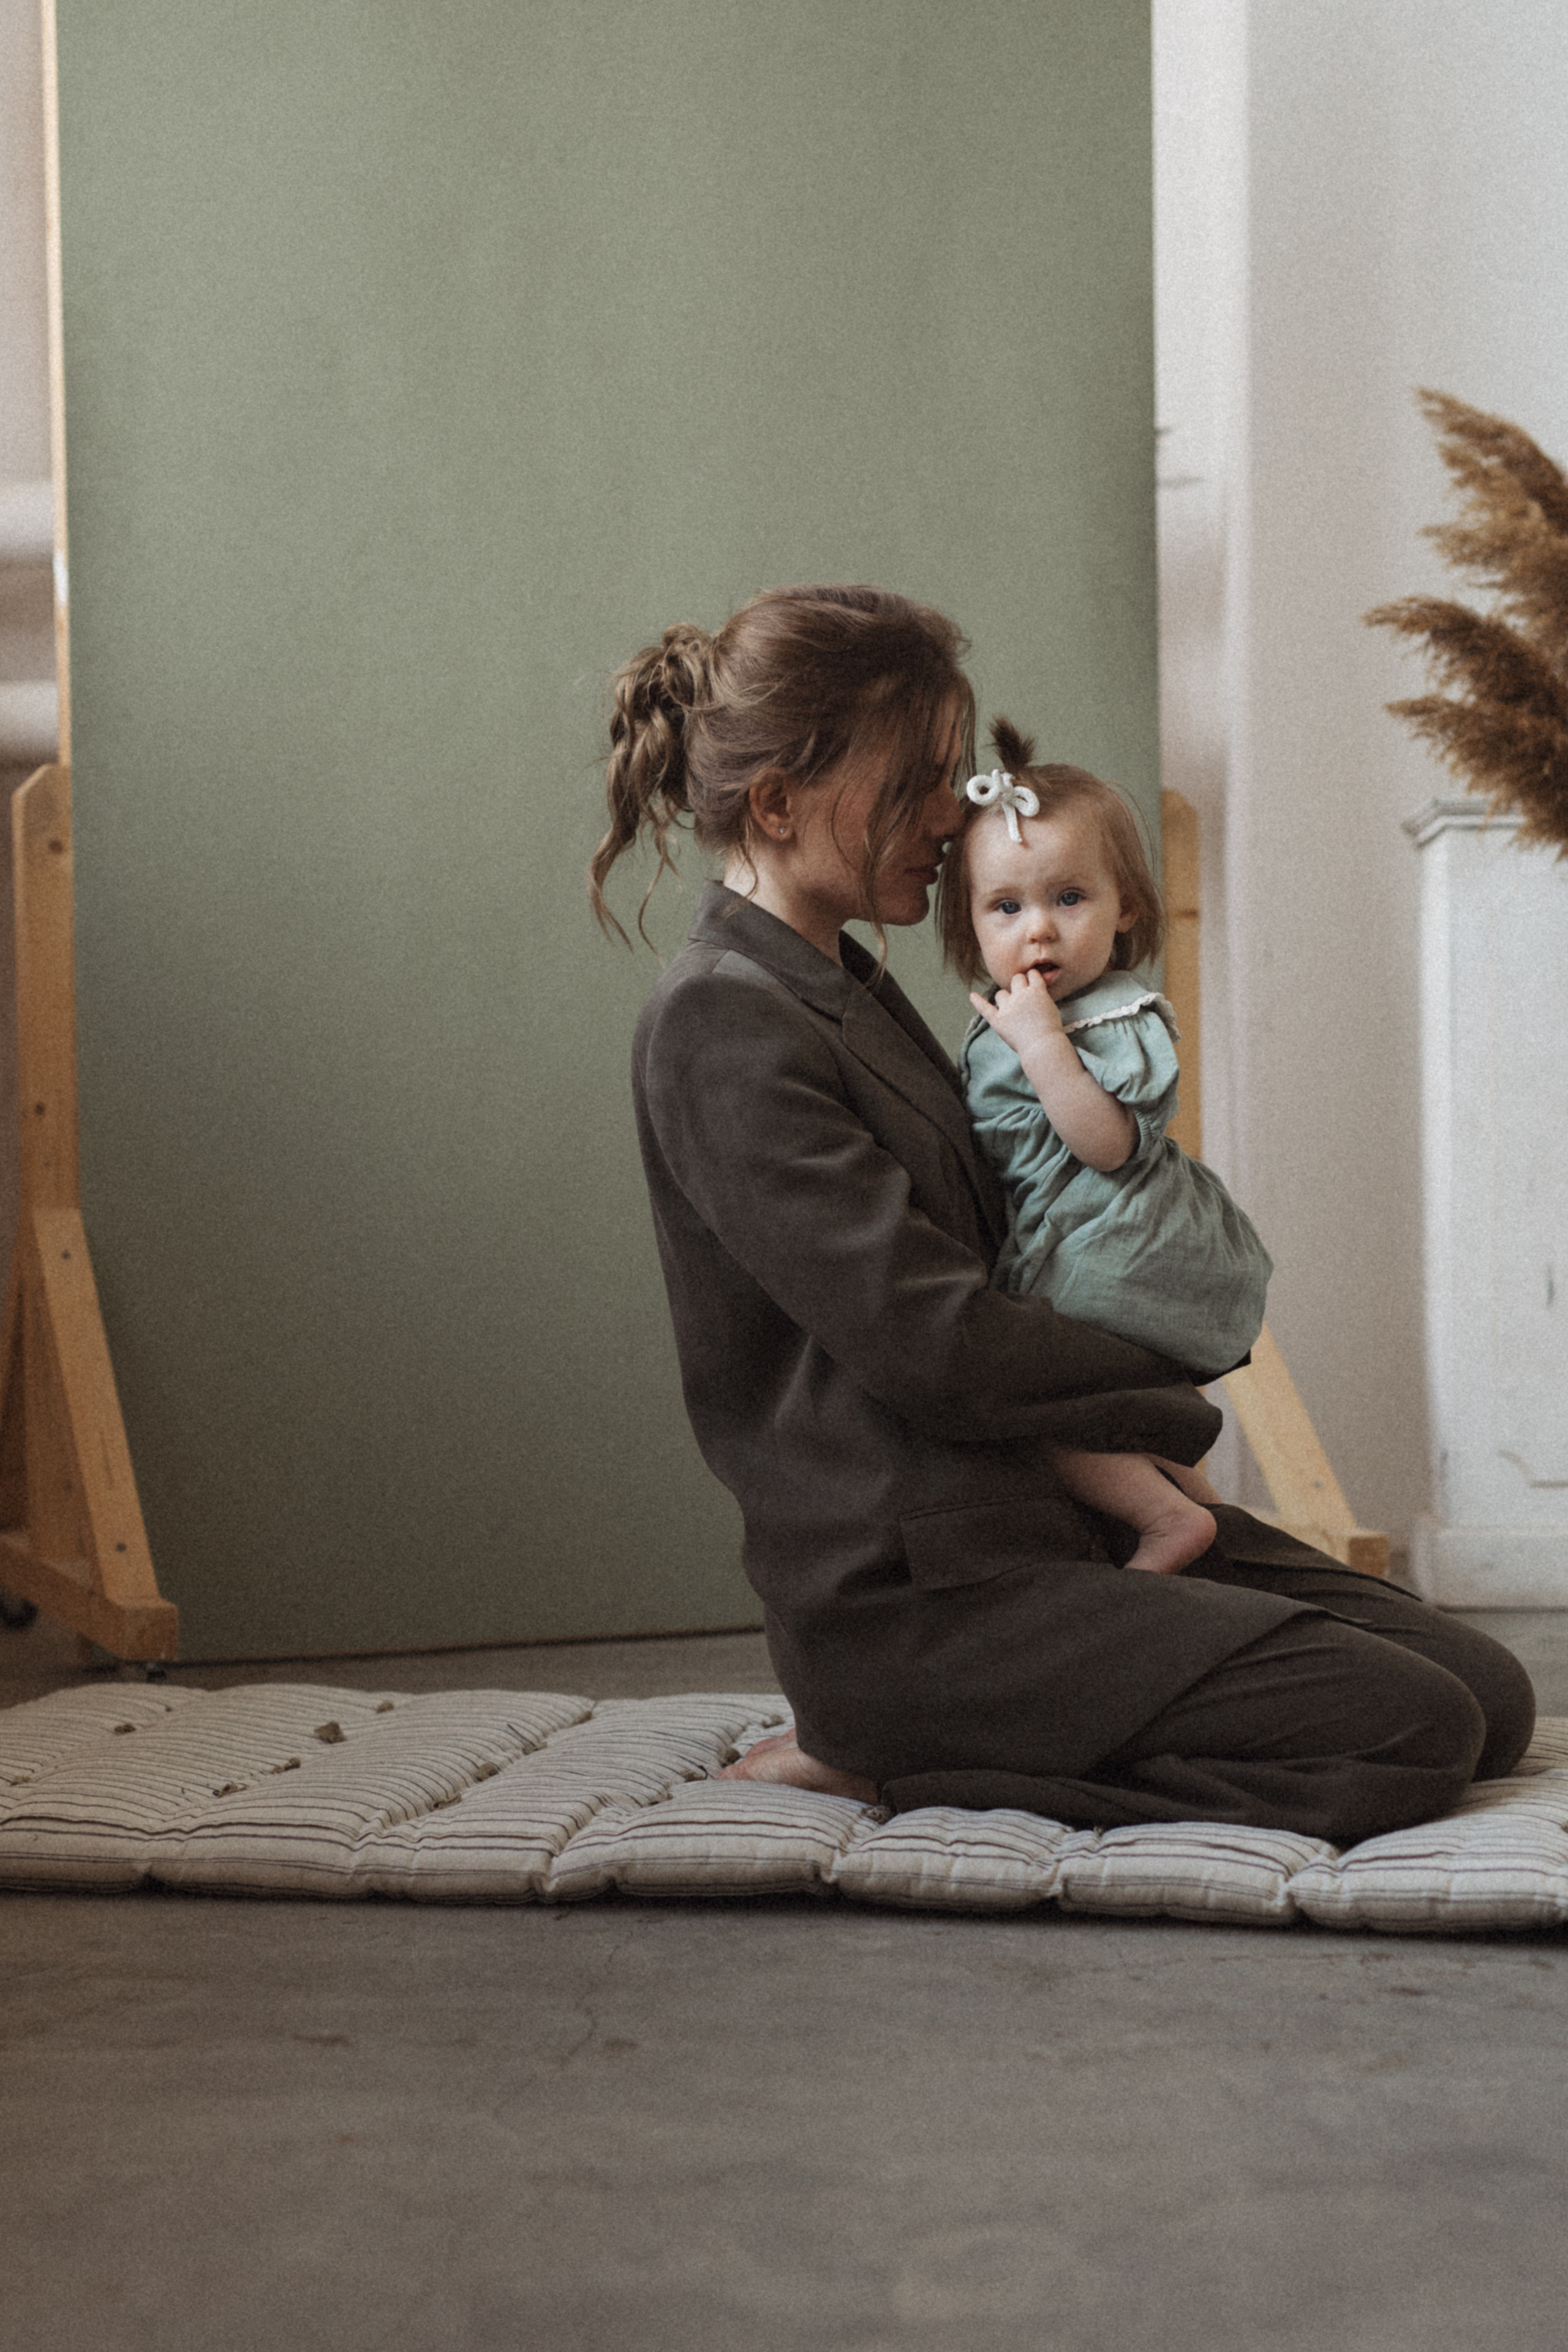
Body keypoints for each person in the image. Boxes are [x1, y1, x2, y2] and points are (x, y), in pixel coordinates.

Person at [592, 581, 1533, 1842]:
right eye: (920, 782)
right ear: (776, 800)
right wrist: (1161, 1394)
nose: (953, 817)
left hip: (1040, 1521)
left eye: (953, 777)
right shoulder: (719, 1020)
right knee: (1410, 1732)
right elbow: (932, 1342)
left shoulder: (847, 986)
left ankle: (941, 1735)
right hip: (921, 1597)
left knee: (1489, 1696)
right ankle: (895, 1759)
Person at [943, 720, 1272, 1579]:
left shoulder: (1116, 1017)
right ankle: (1205, 1515)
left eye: (1069, 899)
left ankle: (1168, 1522)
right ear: (970, 924)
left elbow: (1108, 1145)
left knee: (1044, 1413)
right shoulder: (1005, 1013)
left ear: (1127, 905)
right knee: (1128, 1413)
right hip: (1080, 1236)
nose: (1039, 931)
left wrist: (1046, 1046)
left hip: (1114, 1242)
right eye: (1007, 907)